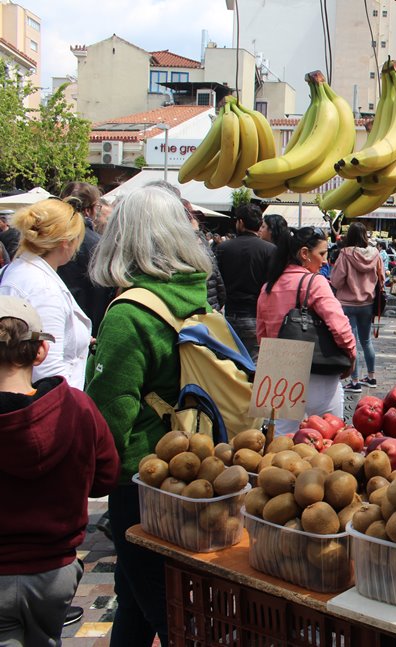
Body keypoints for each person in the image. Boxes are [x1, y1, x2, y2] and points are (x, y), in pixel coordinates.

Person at [85, 186, 216, 646]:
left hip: (142, 474)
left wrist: (97, 478)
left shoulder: (131, 312)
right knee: (137, 595)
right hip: (195, 464)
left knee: (160, 604)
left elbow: (109, 411)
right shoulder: (194, 298)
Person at [0, 296, 119, 646]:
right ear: (39, 352)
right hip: (56, 573)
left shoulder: (77, 407)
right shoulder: (77, 407)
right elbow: (105, 478)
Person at [257, 227, 355, 433]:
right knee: (328, 438)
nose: (325, 261)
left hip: (279, 372)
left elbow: (262, 334)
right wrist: (351, 355)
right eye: (321, 254)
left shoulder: (268, 286)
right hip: (317, 370)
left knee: (279, 441)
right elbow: (339, 325)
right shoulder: (315, 282)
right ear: (304, 254)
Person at [0, 198, 90, 389]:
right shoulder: (43, 288)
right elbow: (49, 372)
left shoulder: (16, 270)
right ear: (66, 243)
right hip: (50, 405)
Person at [215, 203, 276, 360]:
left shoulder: (224, 248)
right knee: (255, 366)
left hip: (230, 315)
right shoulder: (269, 250)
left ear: (240, 222)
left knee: (231, 365)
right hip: (257, 317)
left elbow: (216, 282)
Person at [58, 182, 116, 338]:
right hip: (89, 329)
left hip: (54, 325)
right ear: (90, 209)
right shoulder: (100, 244)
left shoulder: (50, 239)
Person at [330, 222, 383, 392]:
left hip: (347, 303)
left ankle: (354, 381)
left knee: (351, 342)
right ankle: (372, 377)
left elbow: (337, 281)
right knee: (366, 341)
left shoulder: (345, 254)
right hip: (367, 303)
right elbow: (381, 278)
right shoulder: (376, 254)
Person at [183, 200, 226, 312]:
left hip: (203, 309)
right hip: (205, 310)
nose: (194, 218)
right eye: (191, 214)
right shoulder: (198, 241)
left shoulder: (199, 239)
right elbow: (216, 275)